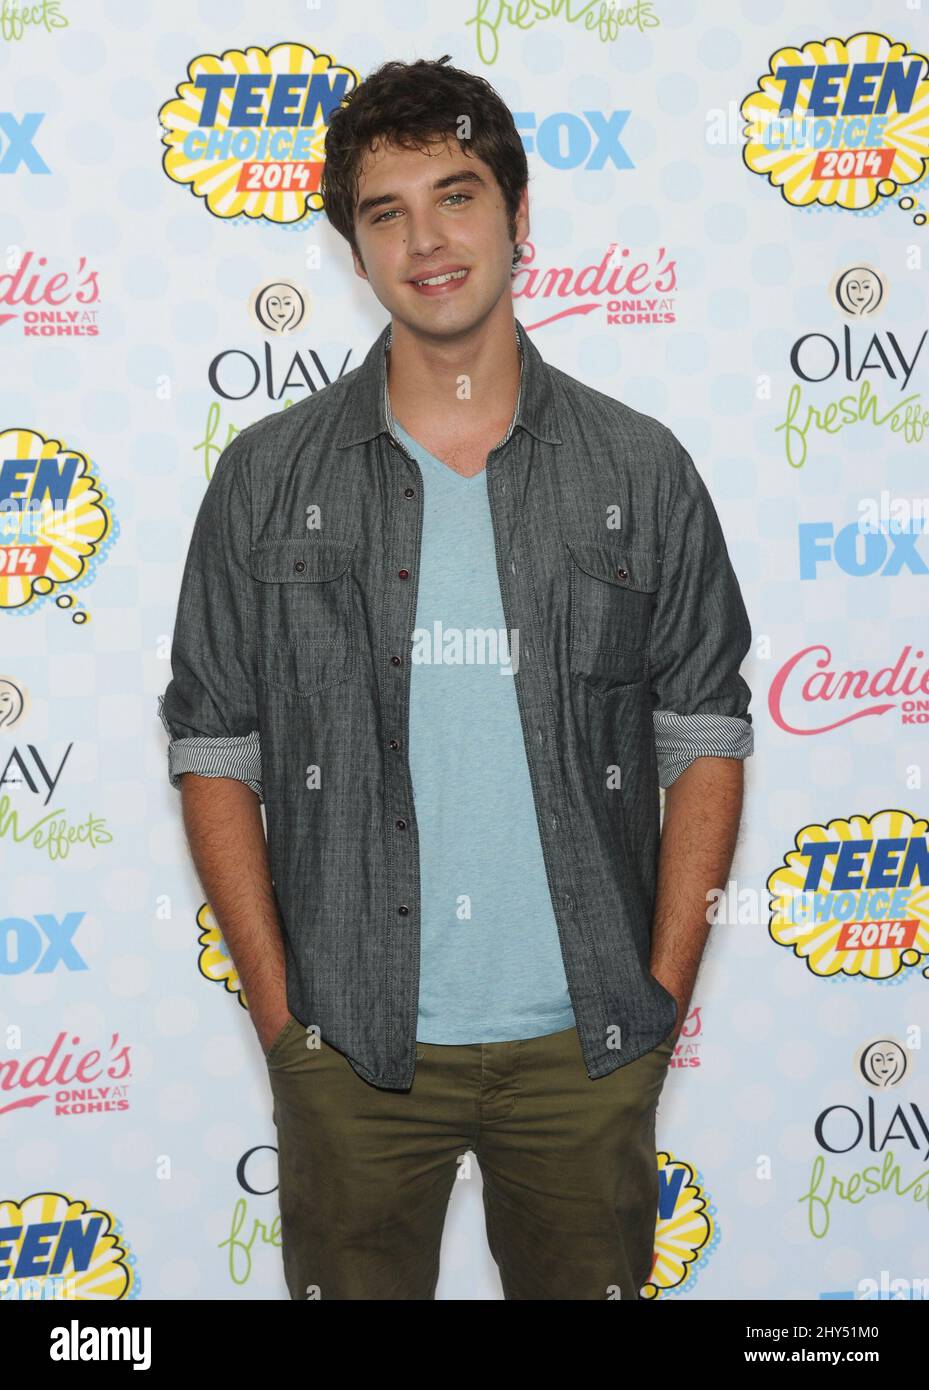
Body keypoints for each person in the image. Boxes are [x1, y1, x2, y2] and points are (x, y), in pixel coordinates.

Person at [158, 55, 754, 1301]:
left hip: (584, 1044)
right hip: (353, 1051)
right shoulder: (267, 477)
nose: (428, 241)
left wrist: (655, 1001)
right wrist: (286, 1023)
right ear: (354, 249)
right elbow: (214, 748)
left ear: (519, 216)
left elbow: (700, 731)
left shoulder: (638, 469)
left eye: (459, 194)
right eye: (387, 213)